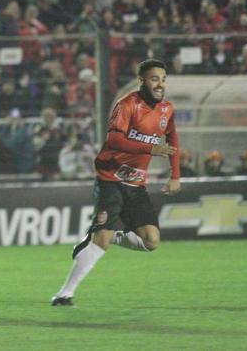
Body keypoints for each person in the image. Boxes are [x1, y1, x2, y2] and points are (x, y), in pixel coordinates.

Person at [51, 58, 181, 306]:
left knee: (151, 241)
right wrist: (151, 148)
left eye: (163, 79)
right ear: (141, 80)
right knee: (102, 241)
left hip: (136, 183)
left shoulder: (166, 109)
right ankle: (64, 294)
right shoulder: (127, 105)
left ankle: (111, 235)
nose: (160, 84)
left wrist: (175, 175)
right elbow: (114, 141)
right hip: (110, 177)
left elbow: (172, 136)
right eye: (155, 79)